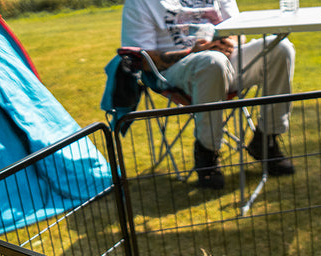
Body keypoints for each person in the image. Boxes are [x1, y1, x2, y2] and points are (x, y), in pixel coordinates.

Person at [121, 0, 295, 188]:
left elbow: (238, 30)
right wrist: (193, 51)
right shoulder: (141, 2)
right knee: (212, 61)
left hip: (227, 58)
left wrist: (229, 41)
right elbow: (140, 58)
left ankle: (266, 140)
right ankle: (207, 153)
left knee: (280, 48)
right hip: (176, 69)